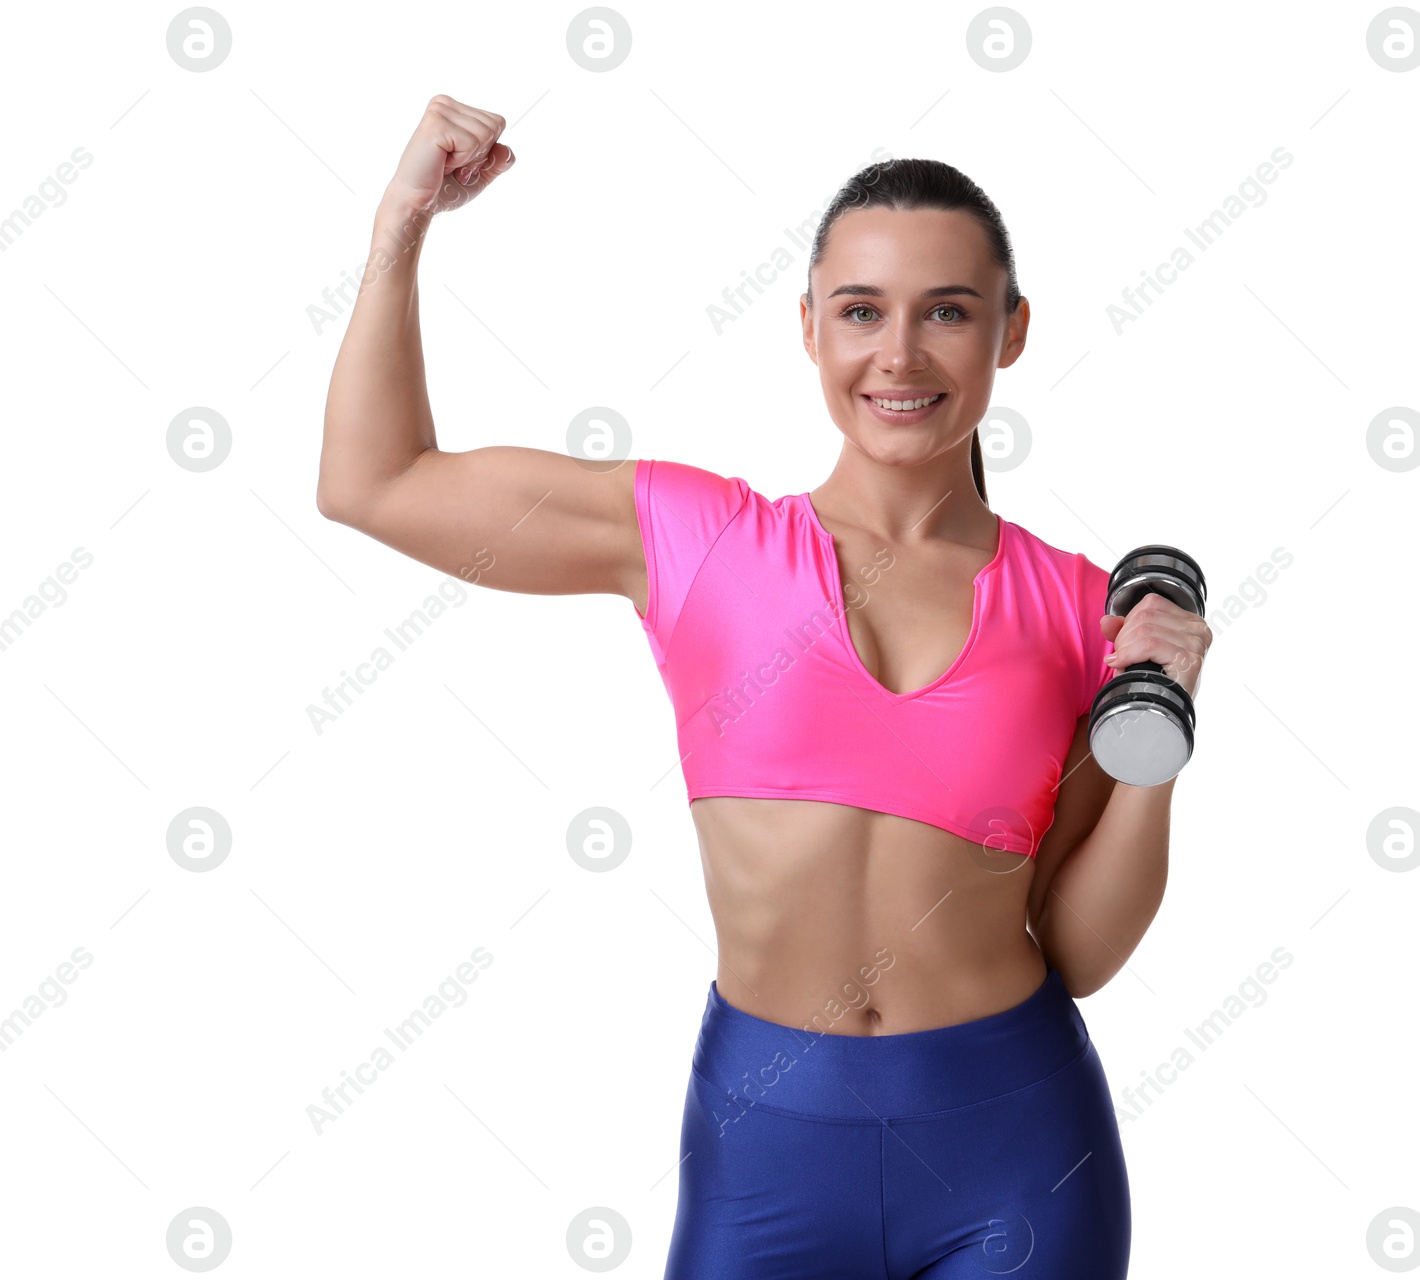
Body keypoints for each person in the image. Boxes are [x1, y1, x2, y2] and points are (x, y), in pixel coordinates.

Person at [318, 94, 1210, 1280]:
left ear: (1011, 330)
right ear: (806, 328)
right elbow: (374, 482)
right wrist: (402, 225)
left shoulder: (1080, 610)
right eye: (860, 312)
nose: (899, 356)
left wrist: (1157, 737)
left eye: (947, 311)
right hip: (766, 1147)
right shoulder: (696, 540)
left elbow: (1079, 950)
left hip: (1016, 1148)